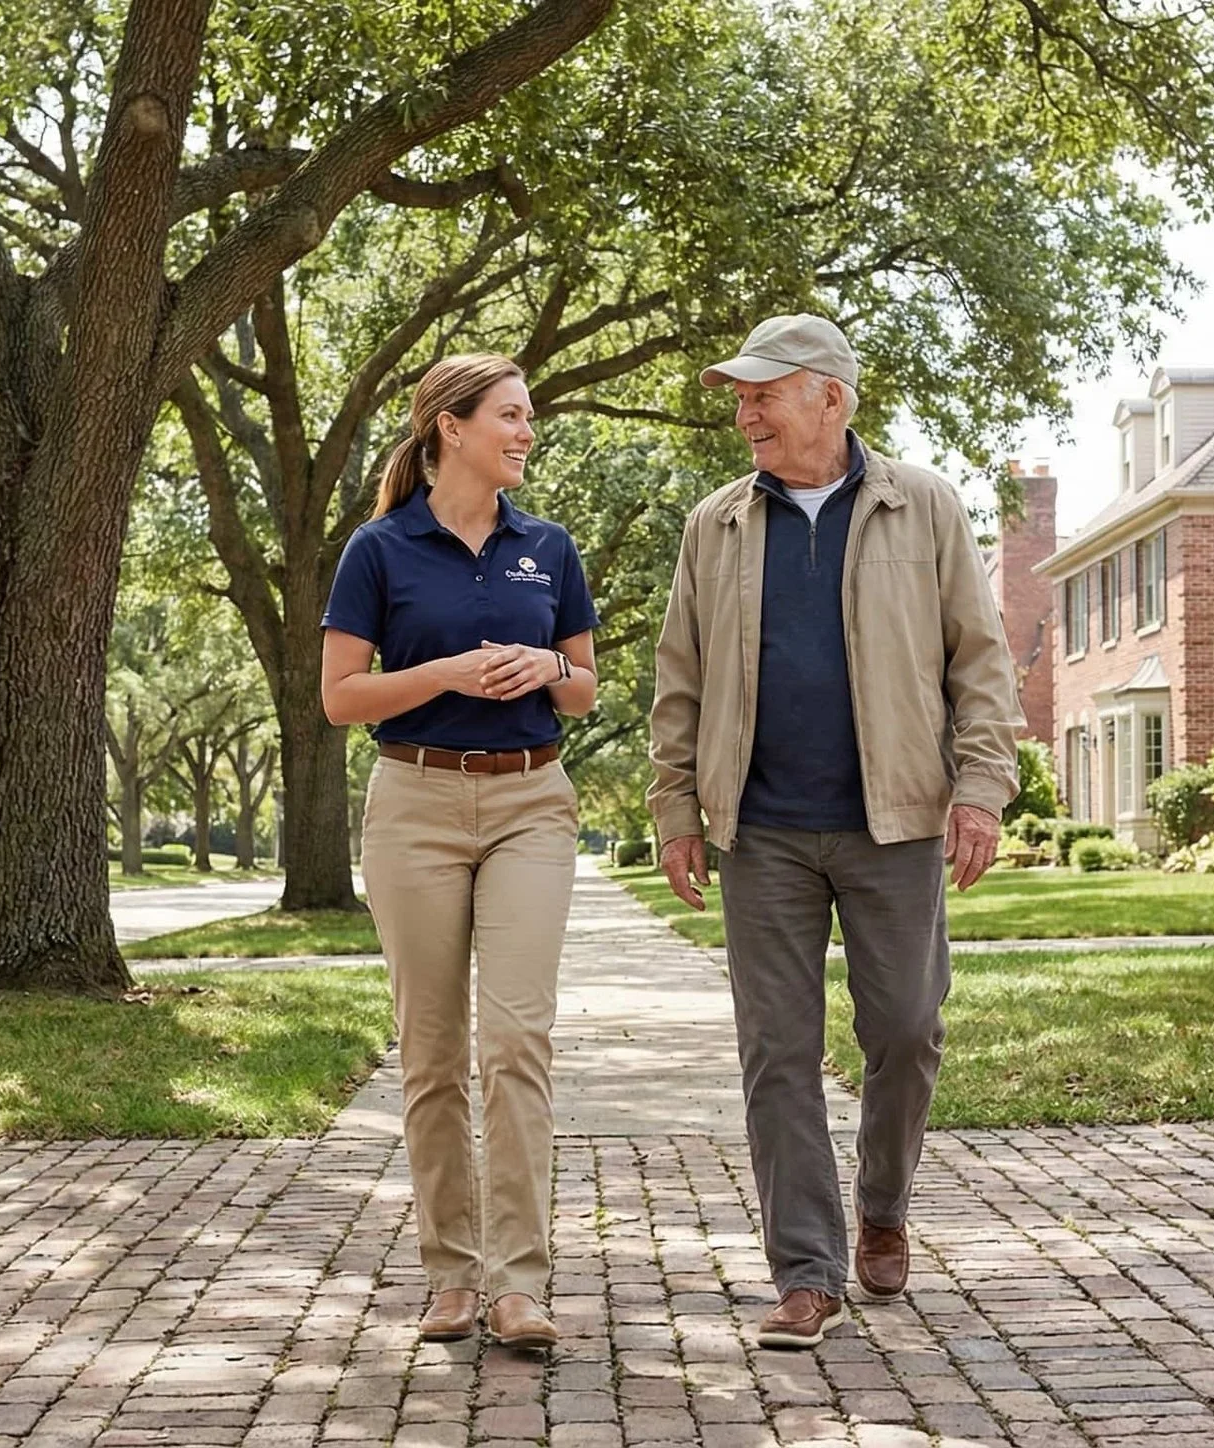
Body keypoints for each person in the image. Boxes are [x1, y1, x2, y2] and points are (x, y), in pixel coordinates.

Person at [645, 314, 1021, 1349]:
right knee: (777, 1052)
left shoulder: (924, 504)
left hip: (893, 820)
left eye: (764, 391)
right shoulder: (713, 524)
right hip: (760, 830)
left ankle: (885, 1203)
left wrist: (980, 787)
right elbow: (679, 680)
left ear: (831, 398)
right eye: (740, 394)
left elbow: (978, 662)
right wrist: (676, 805)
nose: (745, 409)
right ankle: (805, 1270)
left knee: (905, 1026)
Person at [320, 353, 599, 1351]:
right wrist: (439, 671)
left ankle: (519, 1283)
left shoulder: (547, 546)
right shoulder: (379, 550)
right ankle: (450, 1275)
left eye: (528, 418)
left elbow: (583, 689)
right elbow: (340, 696)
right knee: (432, 1052)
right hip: (416, 802)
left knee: (515, 1040)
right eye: (510, 416)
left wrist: (548, 663)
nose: (526, 432)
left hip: (530, 797)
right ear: (451, 426)